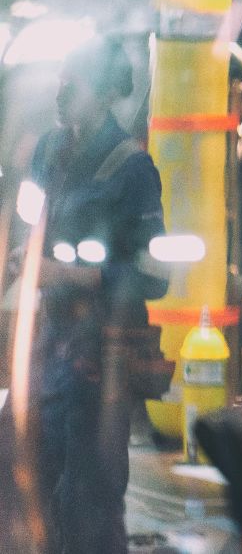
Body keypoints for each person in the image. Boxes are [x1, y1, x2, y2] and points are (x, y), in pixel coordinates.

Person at [0, 37, 167, 553]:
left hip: (99, 364)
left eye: (76, 79)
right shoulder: (48, 153)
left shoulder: (133, 169)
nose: (62, 88)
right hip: (46, 351)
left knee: (88, 503)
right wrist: (19, 255)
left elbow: (154, 274)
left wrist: (65, 275)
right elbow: (29, 224)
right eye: (61, 76)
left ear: (105, 93)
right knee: (17, 482)